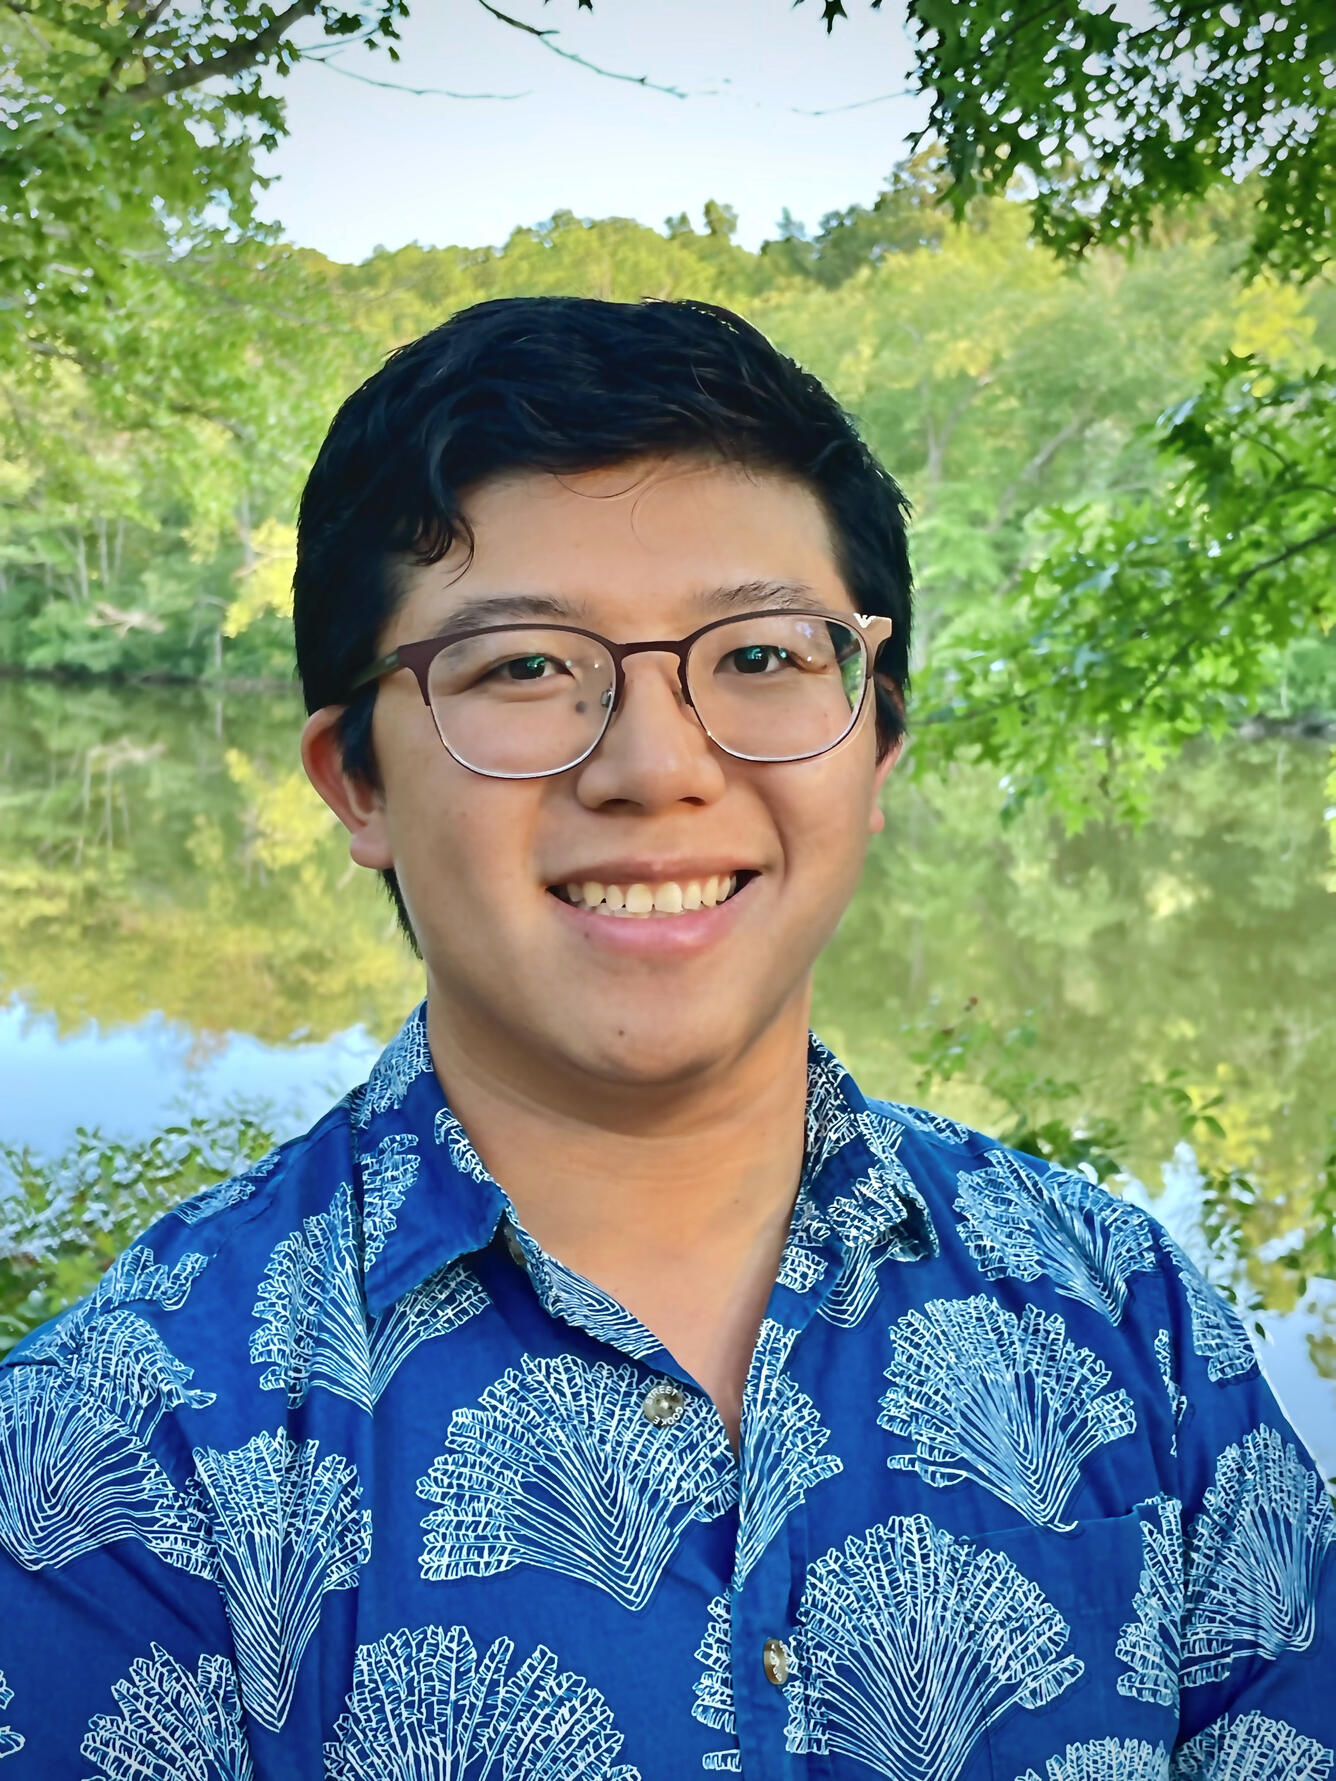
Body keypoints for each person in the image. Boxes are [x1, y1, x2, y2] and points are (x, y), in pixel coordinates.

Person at [1, 297, 1331, 1780]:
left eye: (761, 656)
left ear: (877, 742)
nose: (654, 765)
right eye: (522, 667)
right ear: (356, 781)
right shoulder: (125, 1449)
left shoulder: (1132, 1325)